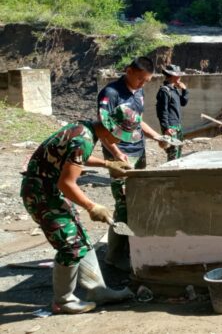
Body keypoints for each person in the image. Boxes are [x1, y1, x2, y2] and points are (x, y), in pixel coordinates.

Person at [20, 106, 140, 314]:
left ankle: (98, 290)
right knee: (70, 246)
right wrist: (92, 206)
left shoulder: (83, 129)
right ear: (111, 128)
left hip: (48, 191)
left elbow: (73, 158)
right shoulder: (82, 139)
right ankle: (63, 301)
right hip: (42, 194)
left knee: (81, 239)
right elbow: (66, 183)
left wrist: (106, 163)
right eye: (121, 136)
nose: (121, 141)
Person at [97, 56, 167, 271]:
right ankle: (114, 256)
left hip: (139, 152)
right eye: (139, 79)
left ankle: (132, 247)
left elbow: (138, 121)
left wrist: (157, 136)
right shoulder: (111, 94)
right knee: (124, 204)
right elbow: (102, 128)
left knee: (139, 200)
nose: (142, 84)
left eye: (146, 81)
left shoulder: (139, 92)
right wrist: (117, 154)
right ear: (128, 70)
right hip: (119, 155)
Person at [156, 64, 189, 161]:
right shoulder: (164, 91)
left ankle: (177, 173)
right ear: (172, 76)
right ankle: (171, 173)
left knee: (179, 151)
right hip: (170, 127)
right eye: (178, 75)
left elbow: (183, 102)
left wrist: (185, 91)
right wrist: (166, 128)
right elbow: (162, 111)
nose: (180, 77)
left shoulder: (174, 89)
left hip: (177, 125)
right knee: (172, 153)